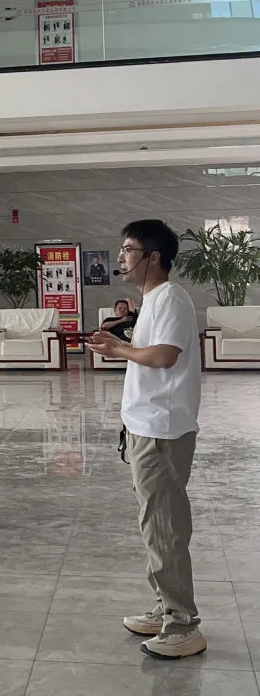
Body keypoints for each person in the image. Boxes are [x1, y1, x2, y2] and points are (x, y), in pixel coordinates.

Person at [89, 219, 206, 660]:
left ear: (153, 257)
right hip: (146, 426)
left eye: (128, 249)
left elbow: (165, 355)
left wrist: (118, 350)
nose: (121, 257)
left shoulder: (171, 297)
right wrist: (118, 344)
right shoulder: (153, 300)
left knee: (165, 527)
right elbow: (149, 353)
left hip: (162, 431)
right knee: (154, 524)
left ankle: (183, 624)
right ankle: (165, 608)